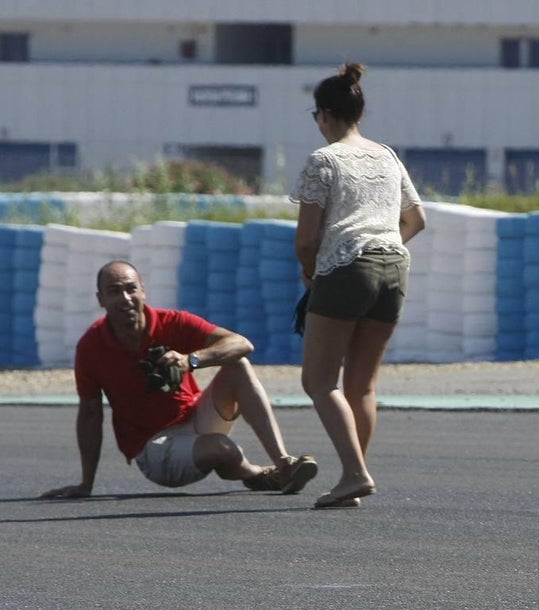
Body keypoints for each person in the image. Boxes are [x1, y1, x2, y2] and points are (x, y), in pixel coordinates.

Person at [40, 261, 318, 500]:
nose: (125, 298)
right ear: (100, 299)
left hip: (194, 418)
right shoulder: (91, 346)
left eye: (130, 288)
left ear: (143, 290)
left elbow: (242, 343)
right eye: (114, 291)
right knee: (224, 450)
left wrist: (192, 360)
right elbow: (90, 414)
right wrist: (85, 484)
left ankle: (283, 465)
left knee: (238, 365)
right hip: (155, 448)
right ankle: (254, 473)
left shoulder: (171, 322)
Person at [291, 62, 427, 509]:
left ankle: (354, 473)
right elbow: (417, 219)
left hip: (347, 270)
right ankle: (355, 475)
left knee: (319, 381)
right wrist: (381, 244)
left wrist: (313, 272)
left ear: (325, 115)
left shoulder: (323, 160)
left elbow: (307, 238)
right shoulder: (386, 155)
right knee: (362, 386)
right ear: (359, 114)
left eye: (316, 116)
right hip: (393, 268)